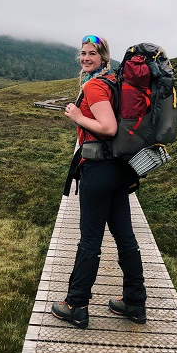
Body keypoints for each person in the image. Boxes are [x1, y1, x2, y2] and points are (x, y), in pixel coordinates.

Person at [52, 35, 147, 329]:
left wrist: (78, 116)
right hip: (120, 169)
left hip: (99, 170)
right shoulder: (115, 82)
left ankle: (76, 304)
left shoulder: (95, 85)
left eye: (91, 53)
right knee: (125, 237)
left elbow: (107, 128)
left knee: (90, 240)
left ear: (104, 57)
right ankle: (135, 303)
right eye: (82, 53)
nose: (85, 58)